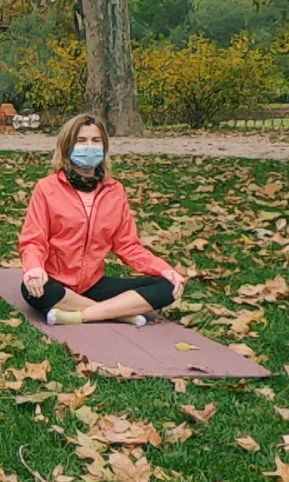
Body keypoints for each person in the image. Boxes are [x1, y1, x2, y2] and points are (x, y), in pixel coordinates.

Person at [18, 114, 186, 326]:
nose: (89, 146)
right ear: (67, 146)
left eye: (96, 141)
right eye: (81, 140)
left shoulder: (115, 191)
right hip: (56, 283)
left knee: (167, 287)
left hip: (93, 284)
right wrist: (34, 269)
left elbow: (128, 246)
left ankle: (80, 315)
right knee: (33, 289)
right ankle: (118, 313)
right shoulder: (46, 188)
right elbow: (34, 240)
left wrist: (164, 269)